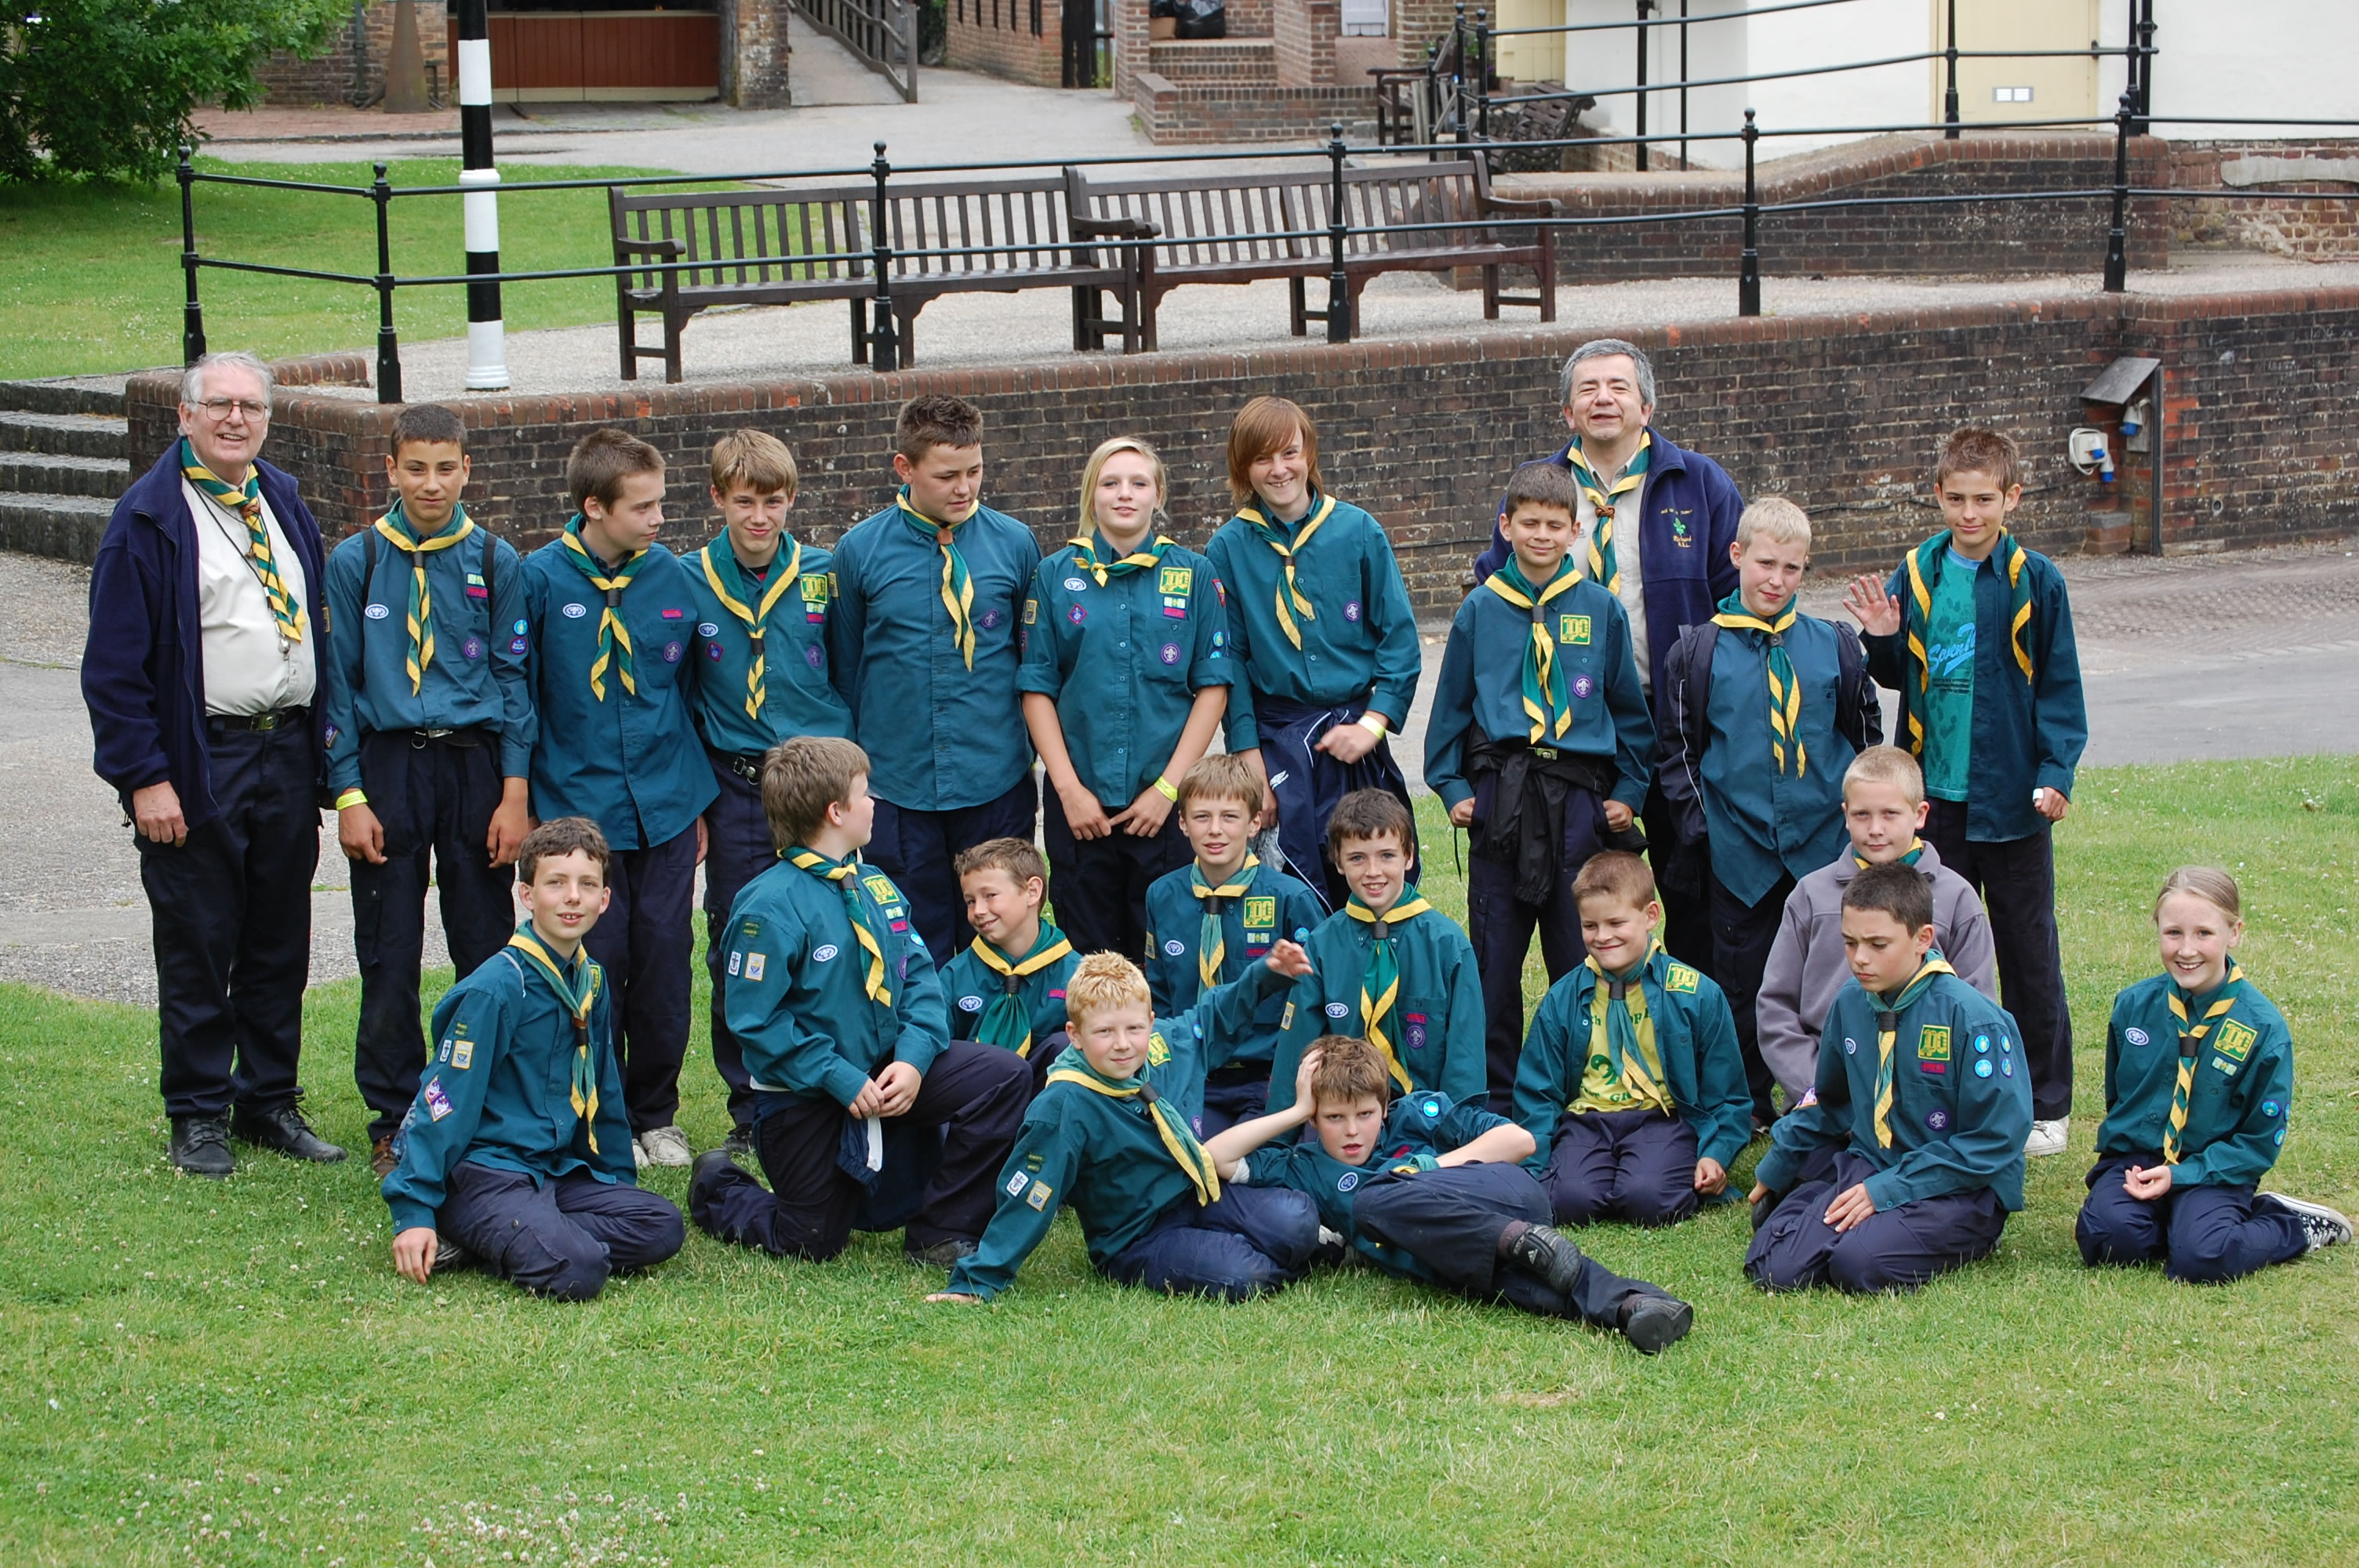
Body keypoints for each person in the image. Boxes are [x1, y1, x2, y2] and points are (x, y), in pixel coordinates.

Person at [83, 349, 344, 1177]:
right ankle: (197, 1113)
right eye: (220, 404)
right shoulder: (148, 518)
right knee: (198, 940)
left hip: (286, 749)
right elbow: (113, 671)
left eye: (251, 406)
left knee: (278, 937)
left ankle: (267, 1100)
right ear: (185, 415)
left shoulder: (281, 499)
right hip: (202, 757)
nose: (237, 419)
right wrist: (144, 777)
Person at [688, 736, 1032, 1268]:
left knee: (1004, 1076)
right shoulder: (768, 906)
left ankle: (941, 1228)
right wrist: (838, 1076)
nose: (874, 803)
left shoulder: (875, 886)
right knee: (811, 1239)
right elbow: (756, 1022)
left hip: (886, 1071)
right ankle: (717, 1182)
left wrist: (913, 1061)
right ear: (836, 812)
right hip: (809, 1091)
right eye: (865, 793)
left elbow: (920, 980)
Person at [1844, 426, 2086, 1159]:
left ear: (2013, 497)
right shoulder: (1918, 572)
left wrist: (2056, 773)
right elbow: (1897, 673)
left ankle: (2046, 1102)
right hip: (1935, 803)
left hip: (2012, 801)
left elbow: (2060, 687)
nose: (1970, 514)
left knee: (2028, 952)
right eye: (1956, 499)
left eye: (1985, 499)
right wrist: (1880, 637)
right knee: (1932, 947)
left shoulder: (2036, 580)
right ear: (1938, 496)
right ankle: (1936, 1087)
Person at [1472, 339, 1745, 968]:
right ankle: (1595, 1010)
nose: (1604, 399)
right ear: (1567, 412)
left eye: (1619, 387)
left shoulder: (1700, 484)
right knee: (1585, 898)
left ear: (1647, 406)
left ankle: (1686, 1012)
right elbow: (1495, 597)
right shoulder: (1538, 492)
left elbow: (1734, 599)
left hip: (1677, 723)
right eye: (1588, 389)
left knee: (1690, 888)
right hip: (1570, 734)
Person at [322, 403, 534, 1176]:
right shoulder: (357, 561)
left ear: (467, 469)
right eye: (416, 468)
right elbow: (339, 686)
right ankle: (395, 1113)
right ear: (391, 469)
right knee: (389, 951)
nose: (431, 483)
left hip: (474, 765)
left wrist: (514, 794)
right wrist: (349, 794)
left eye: (446, 467)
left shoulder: (495, 559)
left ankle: (485, 1103)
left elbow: (514, 680)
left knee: (484, 944)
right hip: (389, 766)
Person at [1210, 1036, 1695, 1353]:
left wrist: (1425, 1169)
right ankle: (1638, 1307)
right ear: (1316, 1120)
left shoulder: (1417, 1114)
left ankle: (1516, 1240)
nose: (1352, 1131)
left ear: (1385, 1107)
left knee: (1372, 1200)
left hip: (1506, 1199)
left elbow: (1519, 1142)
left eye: (1365, 1115)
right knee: (1525, 1288)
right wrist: (1296, 1111)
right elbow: (1214, 1157)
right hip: (1454, 1253)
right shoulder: (1305, 1166)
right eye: (1334, 1118)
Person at [380, 817, 685, 1300]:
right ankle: (465, 1223)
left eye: (588, 885)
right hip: (487, 1173)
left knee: (661, 1225)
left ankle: (504, 1237)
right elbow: (442, 1099)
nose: (573, 898)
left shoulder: (591, 980)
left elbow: (603, 1089)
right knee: (579, 1269)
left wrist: (617, 1188)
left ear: (605, 899)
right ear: (526, 894)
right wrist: (413, 1211)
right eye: (555, 883)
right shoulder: (497, 989)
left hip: (552, 1170)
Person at [1427, 462, 1652, 1109]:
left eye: (1556, 525)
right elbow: (1450, 710)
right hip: (1502, 796)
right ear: (1506, 526)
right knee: (1494, 956)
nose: (1543, 536)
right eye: (1530, 523)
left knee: (1579, 948)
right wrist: (1452, 789)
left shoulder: (1600, 608)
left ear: (1575, 531)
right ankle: (1495, 1096)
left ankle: (1583, 1081)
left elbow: (1629, 712)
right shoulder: (1480, 609)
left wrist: (1628, 792)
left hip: (1576, 801)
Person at [520, 428, 715, 1169]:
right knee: (594, 963)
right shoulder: (538, 580)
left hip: (666, 804)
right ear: (594, 507)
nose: (659, 518)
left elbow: (690, 688)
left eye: (661, 502)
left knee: (665, 959)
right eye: (643, 507)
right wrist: (525, 803)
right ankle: (600, 1113)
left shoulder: (672, 576)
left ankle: (656, 1113)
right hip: (578, 807)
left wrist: (695, 802)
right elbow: (523, 696)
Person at [1656, 496, 1881, 1128]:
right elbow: (1678, 752)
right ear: (1736, 556)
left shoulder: (1835, 646)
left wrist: (1860, 826)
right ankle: (1750, 1100)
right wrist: (1707, 832)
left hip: (1823, 844)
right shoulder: (1697, 652)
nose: (1776, 580)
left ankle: (1833, 1091)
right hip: (1740, 849)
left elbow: (1865, 738)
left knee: (1833, 972)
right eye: (1765, 563)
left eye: (1791, 568)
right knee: (1745, 980)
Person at [926, 948, 1323, 1305]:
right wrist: (979, 1280)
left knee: (1298, 1218)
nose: (1122, 1044)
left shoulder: (1163, 1046)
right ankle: (1244, 1254)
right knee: (1242, 1273)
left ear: (1150, 1022)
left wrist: (1265, 975)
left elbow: (1212, 1017)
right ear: (1075, 1035)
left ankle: (1242, 1244)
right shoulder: (1065, 1103)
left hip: (1195, 1192)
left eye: (1134, 1029)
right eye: (1104, 1032)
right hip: (1137, 1235)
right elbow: (1031, 1193)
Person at [682, 429, 853, 1156]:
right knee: (739, 937)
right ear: (718, 498)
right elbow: (680, 693)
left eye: (775, 502)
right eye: (745, 502)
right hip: (737, 780)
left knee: (833, 931)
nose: (761, 517)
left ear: (793, 500)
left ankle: (834, 1084)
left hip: (818, 778)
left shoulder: (825, 574)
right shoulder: (686, 578)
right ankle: (751, 1107)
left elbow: (849, 669)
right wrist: (697, 799)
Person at [1744, 862, 2030, 1294]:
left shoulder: (1973, 1019)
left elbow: (1995, 1140)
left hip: (1960, 1184)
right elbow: (1830, 1099)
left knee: (1857, 1264)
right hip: (1874, 1163)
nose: (1860, 959)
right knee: (1775, 1269)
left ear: (1923, 939)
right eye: (1850, 942)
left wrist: (1887, 1190)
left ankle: (1966, 1236)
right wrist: (1780, 1161)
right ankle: (1824, 1205)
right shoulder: (1851, 1002)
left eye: (1878, 944)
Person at [827, 395, 1041, 960]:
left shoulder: (1015, 544)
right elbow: (848, 668)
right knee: (911, 940)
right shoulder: (859, 551)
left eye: (975, 471)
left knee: (1001, 933)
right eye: (947, 476)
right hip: (898, 786)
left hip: (994, 778)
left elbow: (1031, 658)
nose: (964, 488)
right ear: (905, 467)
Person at [2075, 868, 2351, 1283]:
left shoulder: (2263, 1029)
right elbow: (2119, 1099)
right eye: (2173, 933)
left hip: (2215, 1169)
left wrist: (2183, 1175)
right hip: (2139, 1160)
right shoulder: (2134, 1006)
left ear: (2234, 933)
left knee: (2202, 1258)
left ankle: (2288, 1223)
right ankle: (2180, 1222)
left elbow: (2257, 1142)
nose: (2187, 950)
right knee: (2107, 1238)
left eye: (2204, 933)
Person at [1205, 397, 1421, 910]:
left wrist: (1372, 725)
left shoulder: (1358, 531)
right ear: (1243, 468)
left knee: (1370, 874)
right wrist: (1251, 762)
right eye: (1262, 458)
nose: (1279, 469)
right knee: (1292, 887)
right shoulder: (1227, 549)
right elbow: (1231, 663)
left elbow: (1399, 638)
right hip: (1278, 741)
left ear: (1310, 455)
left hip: (1354, 736)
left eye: (1289, 453)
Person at [1021, 436, 1230, 960]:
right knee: (1089, 962)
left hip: (1164, 801)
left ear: (1158, 495)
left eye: (1139, 483)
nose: (1124, 494)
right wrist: (1069, 790)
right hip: (1081, 806)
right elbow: (1037, 689)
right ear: (1091, 495)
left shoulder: (1195, 574)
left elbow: (1212, 688)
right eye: (1110, 483)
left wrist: (1168, 789)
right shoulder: (1053, 576)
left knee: (1167, 956)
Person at [1512, 852, 1750, 1228]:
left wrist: (1715, 1154)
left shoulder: (1695, 994)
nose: (1602, 936)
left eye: (1616, 923)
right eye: (1590, 925)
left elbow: (1729, 1094)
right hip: (1588, 1120)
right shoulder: (1564, 998)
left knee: (1648, 1201)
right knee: (1569, 1202)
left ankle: (1644, 1174)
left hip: (1661, 1119)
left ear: (1651, 915)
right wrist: (1535, 1162)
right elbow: (1537, 1090)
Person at [1755, 746, 1997, 1114]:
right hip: (1825, 1093)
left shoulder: (1957, 899)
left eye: (1890, 814)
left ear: (1920, 814)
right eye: (1862, 815)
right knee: (1807, 1153)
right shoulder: (1811, 895)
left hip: (1923, 1097)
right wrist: (1817, 1087)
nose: (1875, 829)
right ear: (1845, 816)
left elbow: (1978, 1011)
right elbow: (1776, 1007)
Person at [1140, 753, 1325, 1138]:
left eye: (1229, 817)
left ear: (1254, 822)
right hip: (1192, 1072)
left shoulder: (1290, 898)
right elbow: (1159, 994)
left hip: (1266, 1076)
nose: (1215, 830)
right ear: (1182, 822)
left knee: (1248, 1158)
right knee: (1184, 1155)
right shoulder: (1162, 896)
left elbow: (1315, 997)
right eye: (1201, 817)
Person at [1266, 789, 1484, 1115]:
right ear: (1338, 861)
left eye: (1387, 856)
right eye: (1357, 858)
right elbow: (1296, 1050)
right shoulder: (1322, 946)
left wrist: (1455, 1133)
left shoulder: (1448, 946)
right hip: (1346, 1119)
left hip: (1427, 1122)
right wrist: (1278, 1136)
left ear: (1409, 856)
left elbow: (1465, 1060)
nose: (1373, 871)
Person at [939, 837, 1077, 1094]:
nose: (978, 911)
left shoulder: (1078, 976)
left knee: (1065, 1043)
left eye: (990, 896)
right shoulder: (954, 976)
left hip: (1048, 1100)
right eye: (970, 901)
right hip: (974, 1103)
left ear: (1032, 892)